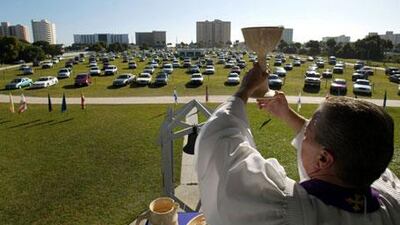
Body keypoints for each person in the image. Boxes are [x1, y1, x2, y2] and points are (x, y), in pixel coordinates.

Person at [194, 63, 399, 225]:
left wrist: (245, 89)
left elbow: (221, 143)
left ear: (323, 158)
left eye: (307, 132)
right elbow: (349, 142)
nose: (303, 131)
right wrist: (287, 114)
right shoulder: (390, 197)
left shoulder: (286, 212)